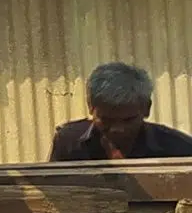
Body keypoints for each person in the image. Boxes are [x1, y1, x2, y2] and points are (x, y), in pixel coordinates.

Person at [49, 61, 192, 161]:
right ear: (90, 107)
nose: (117, 129)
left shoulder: (180, 149)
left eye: (128, 120)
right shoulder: (67, 143)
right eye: (106, 120)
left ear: (147, 108)